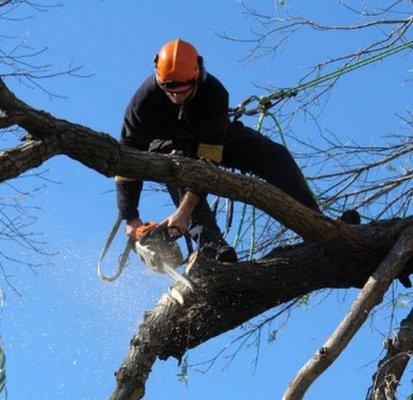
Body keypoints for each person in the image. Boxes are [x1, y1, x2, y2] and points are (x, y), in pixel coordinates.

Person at [115, 39, 320, 263]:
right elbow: (126, 161)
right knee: (176, 166)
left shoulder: (214, 93)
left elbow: (207, 164)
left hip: (209, 140)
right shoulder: (142, 104)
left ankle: (317, 224)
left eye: (183, 91)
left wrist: (183, 214)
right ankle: (214, 247)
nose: (177, 97)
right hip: (167, 148)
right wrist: (131, 218)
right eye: (171, 91)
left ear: (196, 76)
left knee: (273, 155)